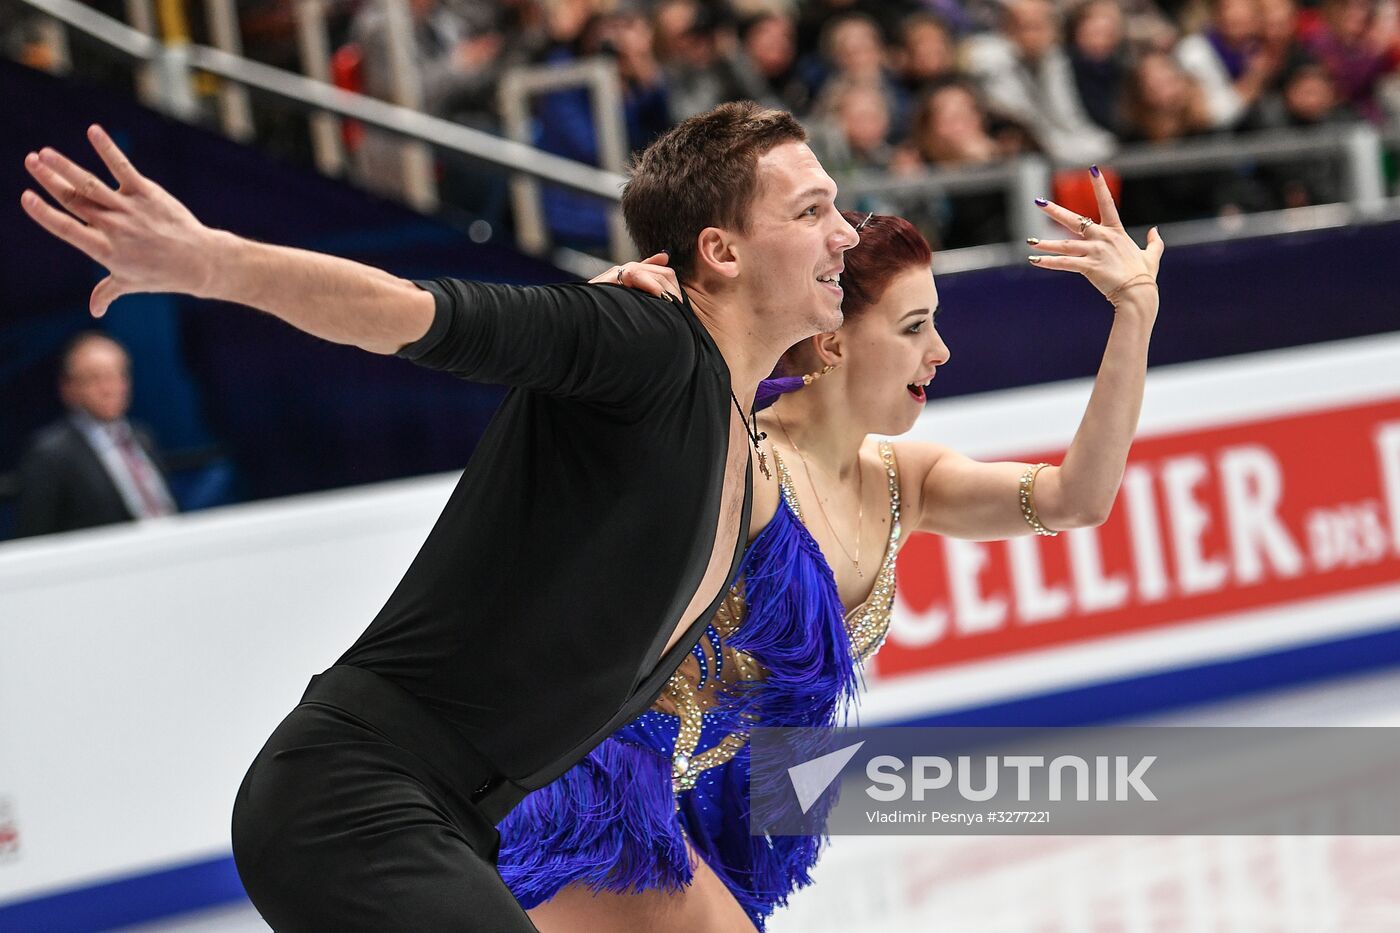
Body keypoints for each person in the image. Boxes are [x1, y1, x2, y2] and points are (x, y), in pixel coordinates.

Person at [19, 102, 858, 931]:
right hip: (353, 801)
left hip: (453, 820)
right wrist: (214, 264)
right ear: (721, 250)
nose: (845, 233)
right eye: (811, 210)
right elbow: (410, 314)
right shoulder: (644, 338)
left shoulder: (737, 441)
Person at [500, 175, 1165, 931]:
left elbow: (1076, 499)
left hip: (734, 820)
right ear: (834, 338)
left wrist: (1135, 314)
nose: (940, 352)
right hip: (615, 793)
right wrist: (614, 297)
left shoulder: (903, 482)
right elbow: (599, 420)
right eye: (914, 327)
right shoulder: (737, 454)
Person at [14, 331, 178, 538]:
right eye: (95, 378)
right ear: (69, 388)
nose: (108, 388)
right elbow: (34, 535)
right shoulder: (50, 453)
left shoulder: (142, 437)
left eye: (116, 375)